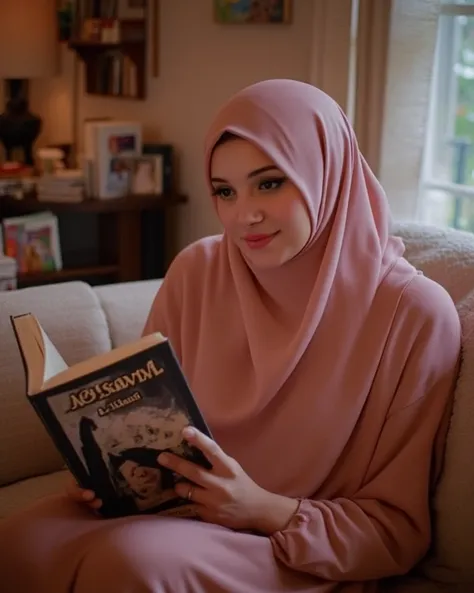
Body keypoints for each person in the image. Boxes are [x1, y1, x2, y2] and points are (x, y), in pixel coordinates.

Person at [0, 79, 461, 592]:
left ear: (326, 174)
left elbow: (395, 531)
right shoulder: (197, 271)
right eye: (225, 191)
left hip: (290, 547)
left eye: (269, 183)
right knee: (19, 539)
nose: (245, 215)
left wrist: (260, 508)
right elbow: (144, 416)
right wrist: (104, 475)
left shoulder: (415, 315)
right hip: (174, 517)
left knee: (132, 563)